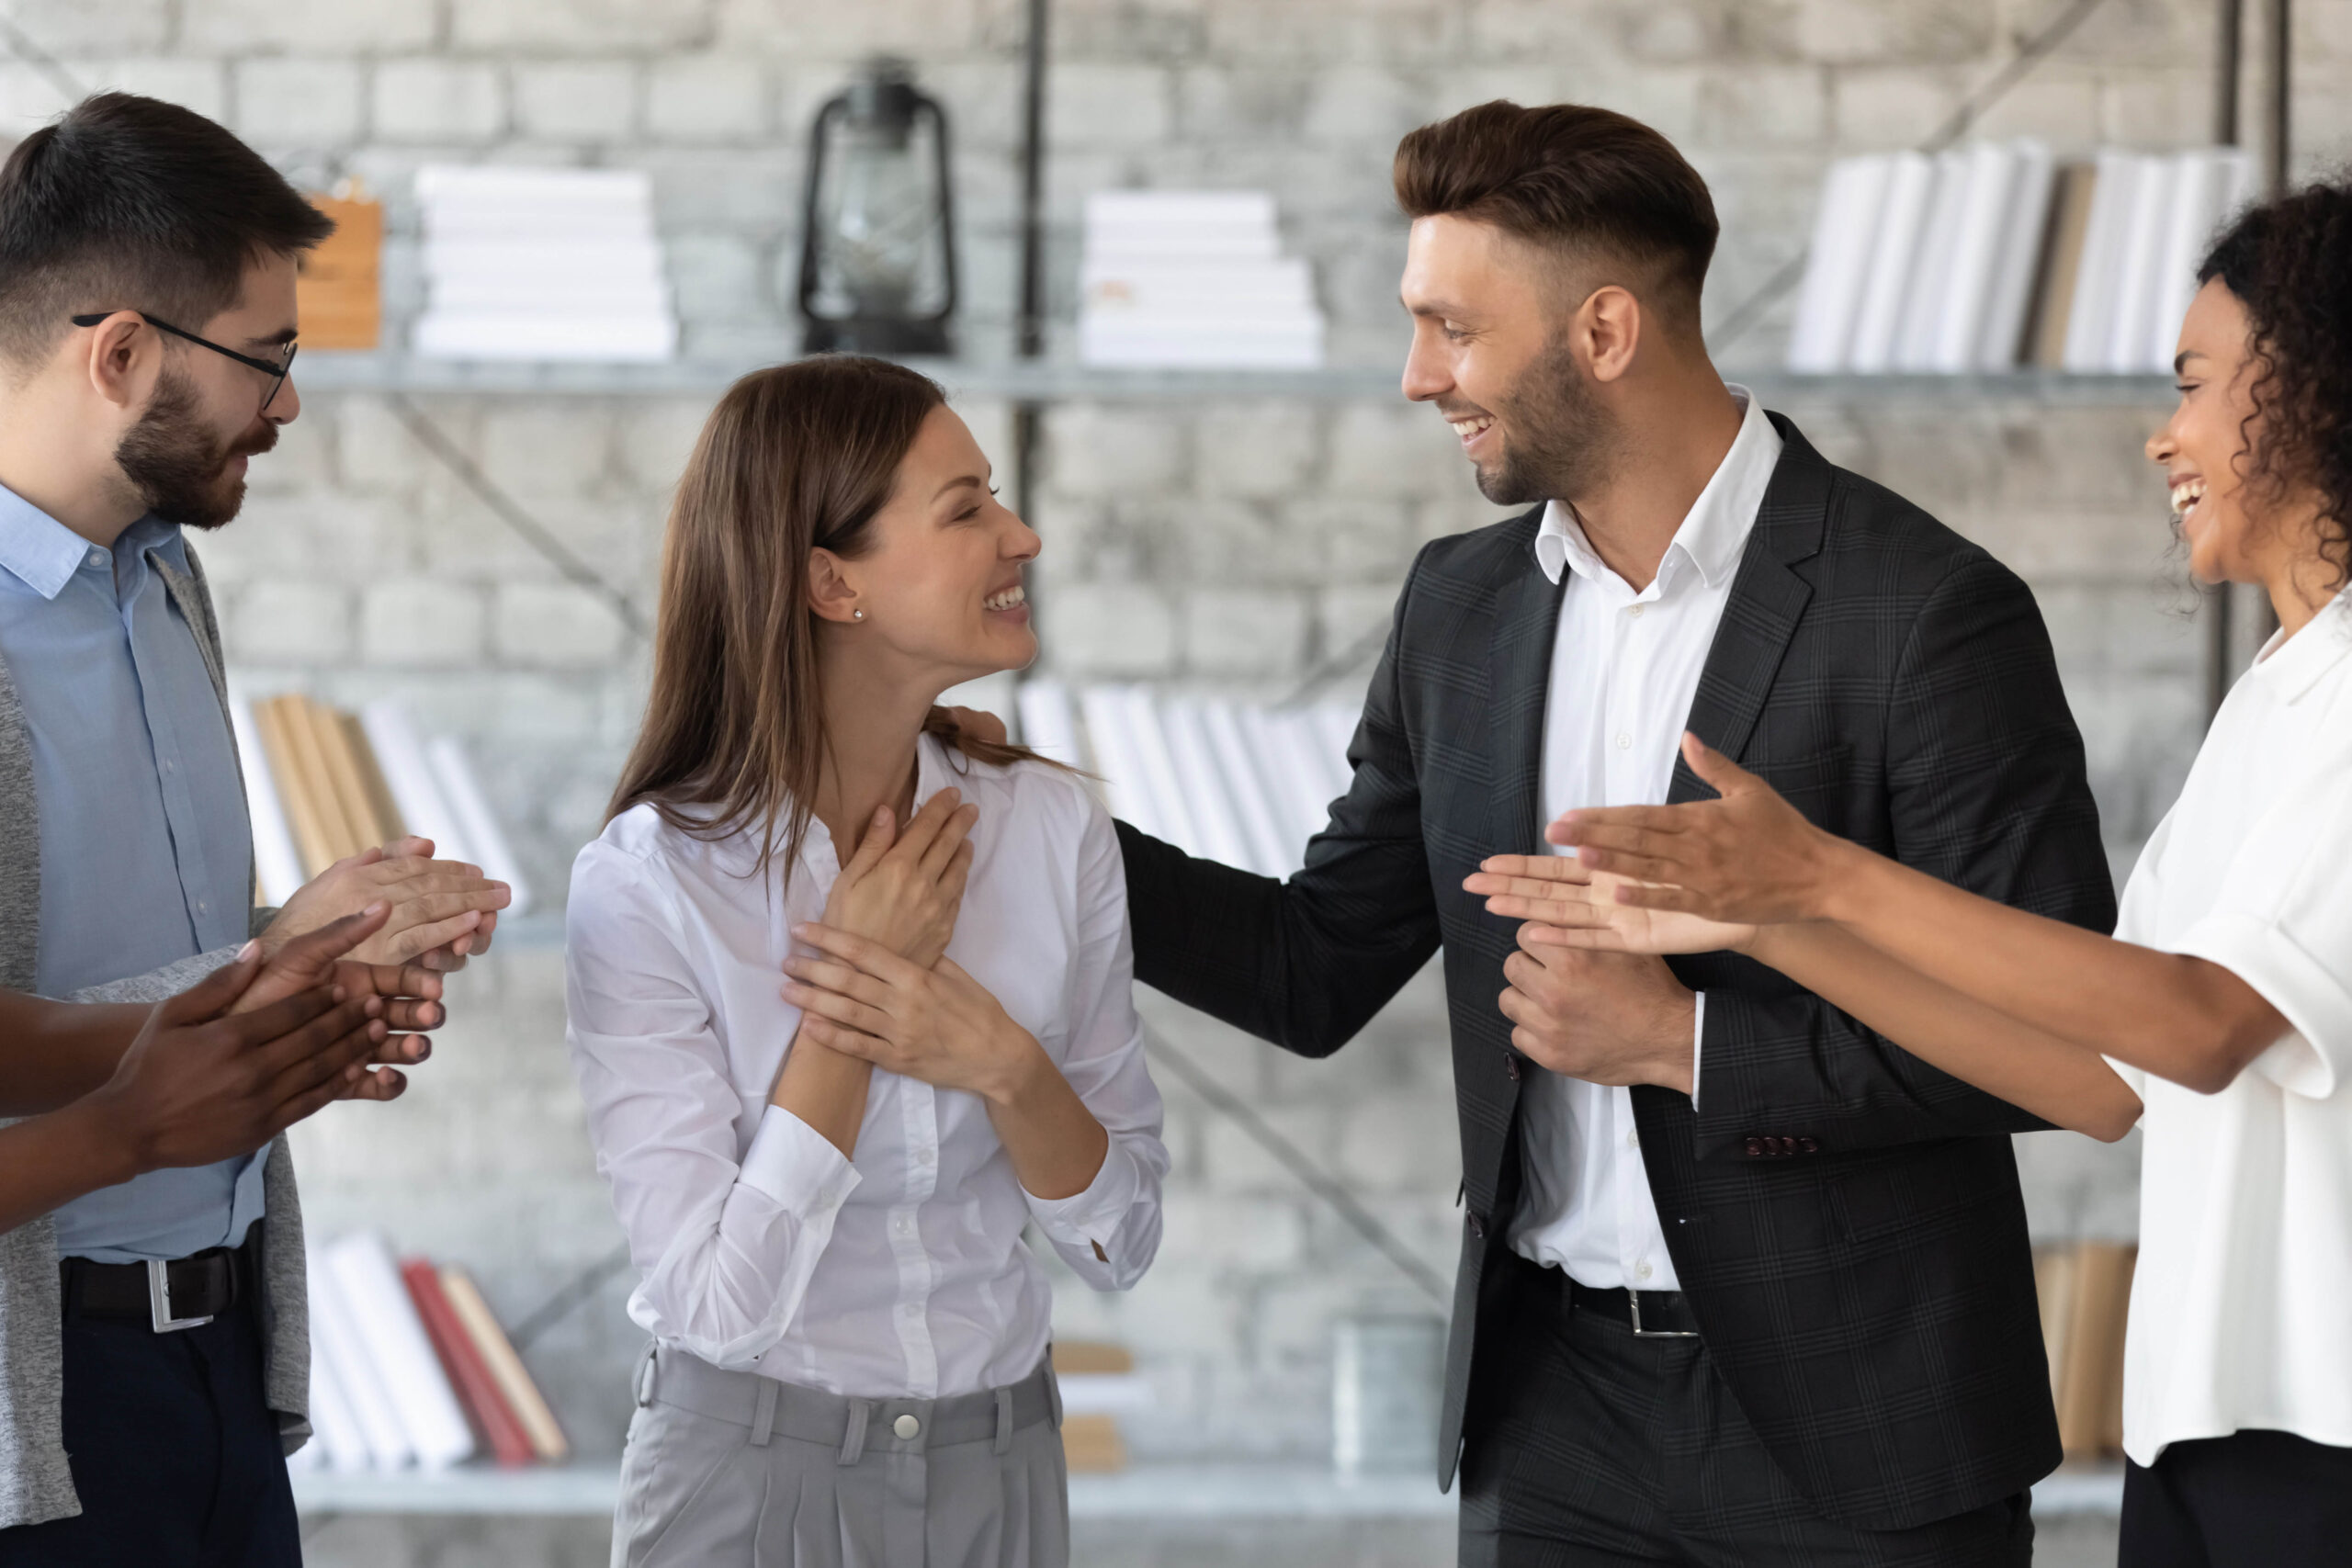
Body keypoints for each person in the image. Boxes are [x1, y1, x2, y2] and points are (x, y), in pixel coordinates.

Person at [1095, 101, 2112, 1565]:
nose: (1415, 376)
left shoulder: (1927, 614)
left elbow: (2051, 1042)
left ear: (1607, 333)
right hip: (1555, 1417)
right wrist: (1037, 832)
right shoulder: (1458, 610)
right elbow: (1315, 968)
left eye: (1452, 327)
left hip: (1867, 1430)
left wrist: (1678, 1044)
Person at [1474, 184, 2352, 1568]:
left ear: (2317, 393)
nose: (2163, 434)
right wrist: (1765, 926)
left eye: (2193, 384)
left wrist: (1819, 878)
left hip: (2322, 1438)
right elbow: (2096, 1080)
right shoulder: (2280, 691)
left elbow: (2198, 1023)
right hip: (2210, 1425)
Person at [0, 94, 509, 1559]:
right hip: (34, 1411)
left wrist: (293, 959)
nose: (286, 405)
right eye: (268, 360)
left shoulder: (162, 578)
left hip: (221, 1365)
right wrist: (183, 1063)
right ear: (121, 353)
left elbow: (124, 966)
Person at [565, 355, 1167, 1568]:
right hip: (744, 1482)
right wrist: (855, 999)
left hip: (1004, 1471)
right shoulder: (651, 885)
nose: (1023, 536)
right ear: (831, 582)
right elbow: (718, 1309)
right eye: (966, 511)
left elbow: (1124, 1239)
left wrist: (1001, 1063)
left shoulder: (1050, 830)